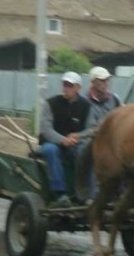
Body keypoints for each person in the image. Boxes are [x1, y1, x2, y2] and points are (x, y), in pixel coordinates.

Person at [38, 71, 90, 207]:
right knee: (50, 150)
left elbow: (90, 129)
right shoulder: (51, 103)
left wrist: (79, 136)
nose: (65, 88)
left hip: (75, 144)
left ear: (78, 88)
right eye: (64, 84)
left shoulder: (86, 106)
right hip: (52, 143)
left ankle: (82, 193)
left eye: (69, 85)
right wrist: (62, 140)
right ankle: (60, 193)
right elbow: (46, 129)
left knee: (84, 153)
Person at [76, 66, 122, 201]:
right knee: (93, 152)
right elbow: (90, 127)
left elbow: (123, 116)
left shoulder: (115, 99)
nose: (105, 83)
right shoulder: (84, 101)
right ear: (93, 82)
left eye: (106, 80)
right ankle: (92, 194)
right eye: (102, 80)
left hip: (112, 139)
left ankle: (125, 191)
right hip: (89, 139)